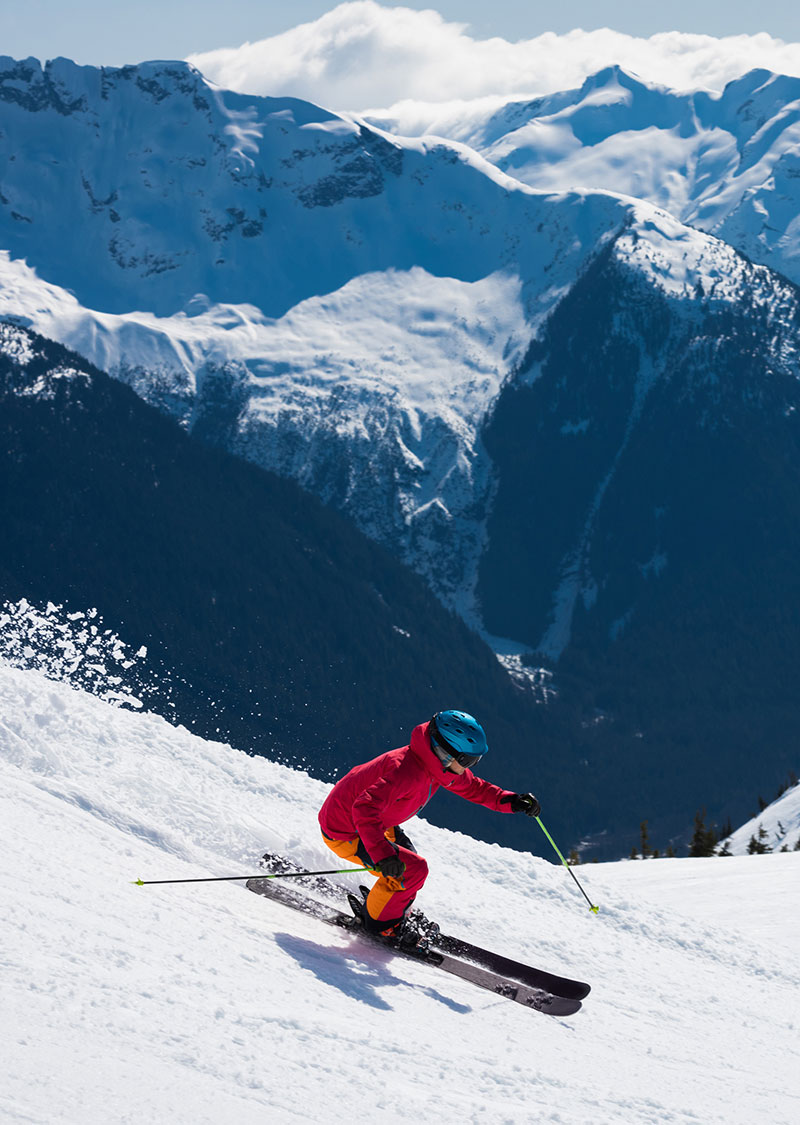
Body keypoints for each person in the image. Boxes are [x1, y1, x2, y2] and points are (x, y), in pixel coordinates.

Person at [318, 710, 540, 942]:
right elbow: (363, 808)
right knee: (412, 870)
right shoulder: (406, 771)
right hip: (345, 830)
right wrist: (382, 854)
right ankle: (381, 926)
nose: (470, 766)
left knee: (407, 863)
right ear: (445, 752)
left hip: (377, 821)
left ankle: (391, 908)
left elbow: (473, 787)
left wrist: (511, 801)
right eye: (468, 760)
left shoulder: (436, 765)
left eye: (475, 760)